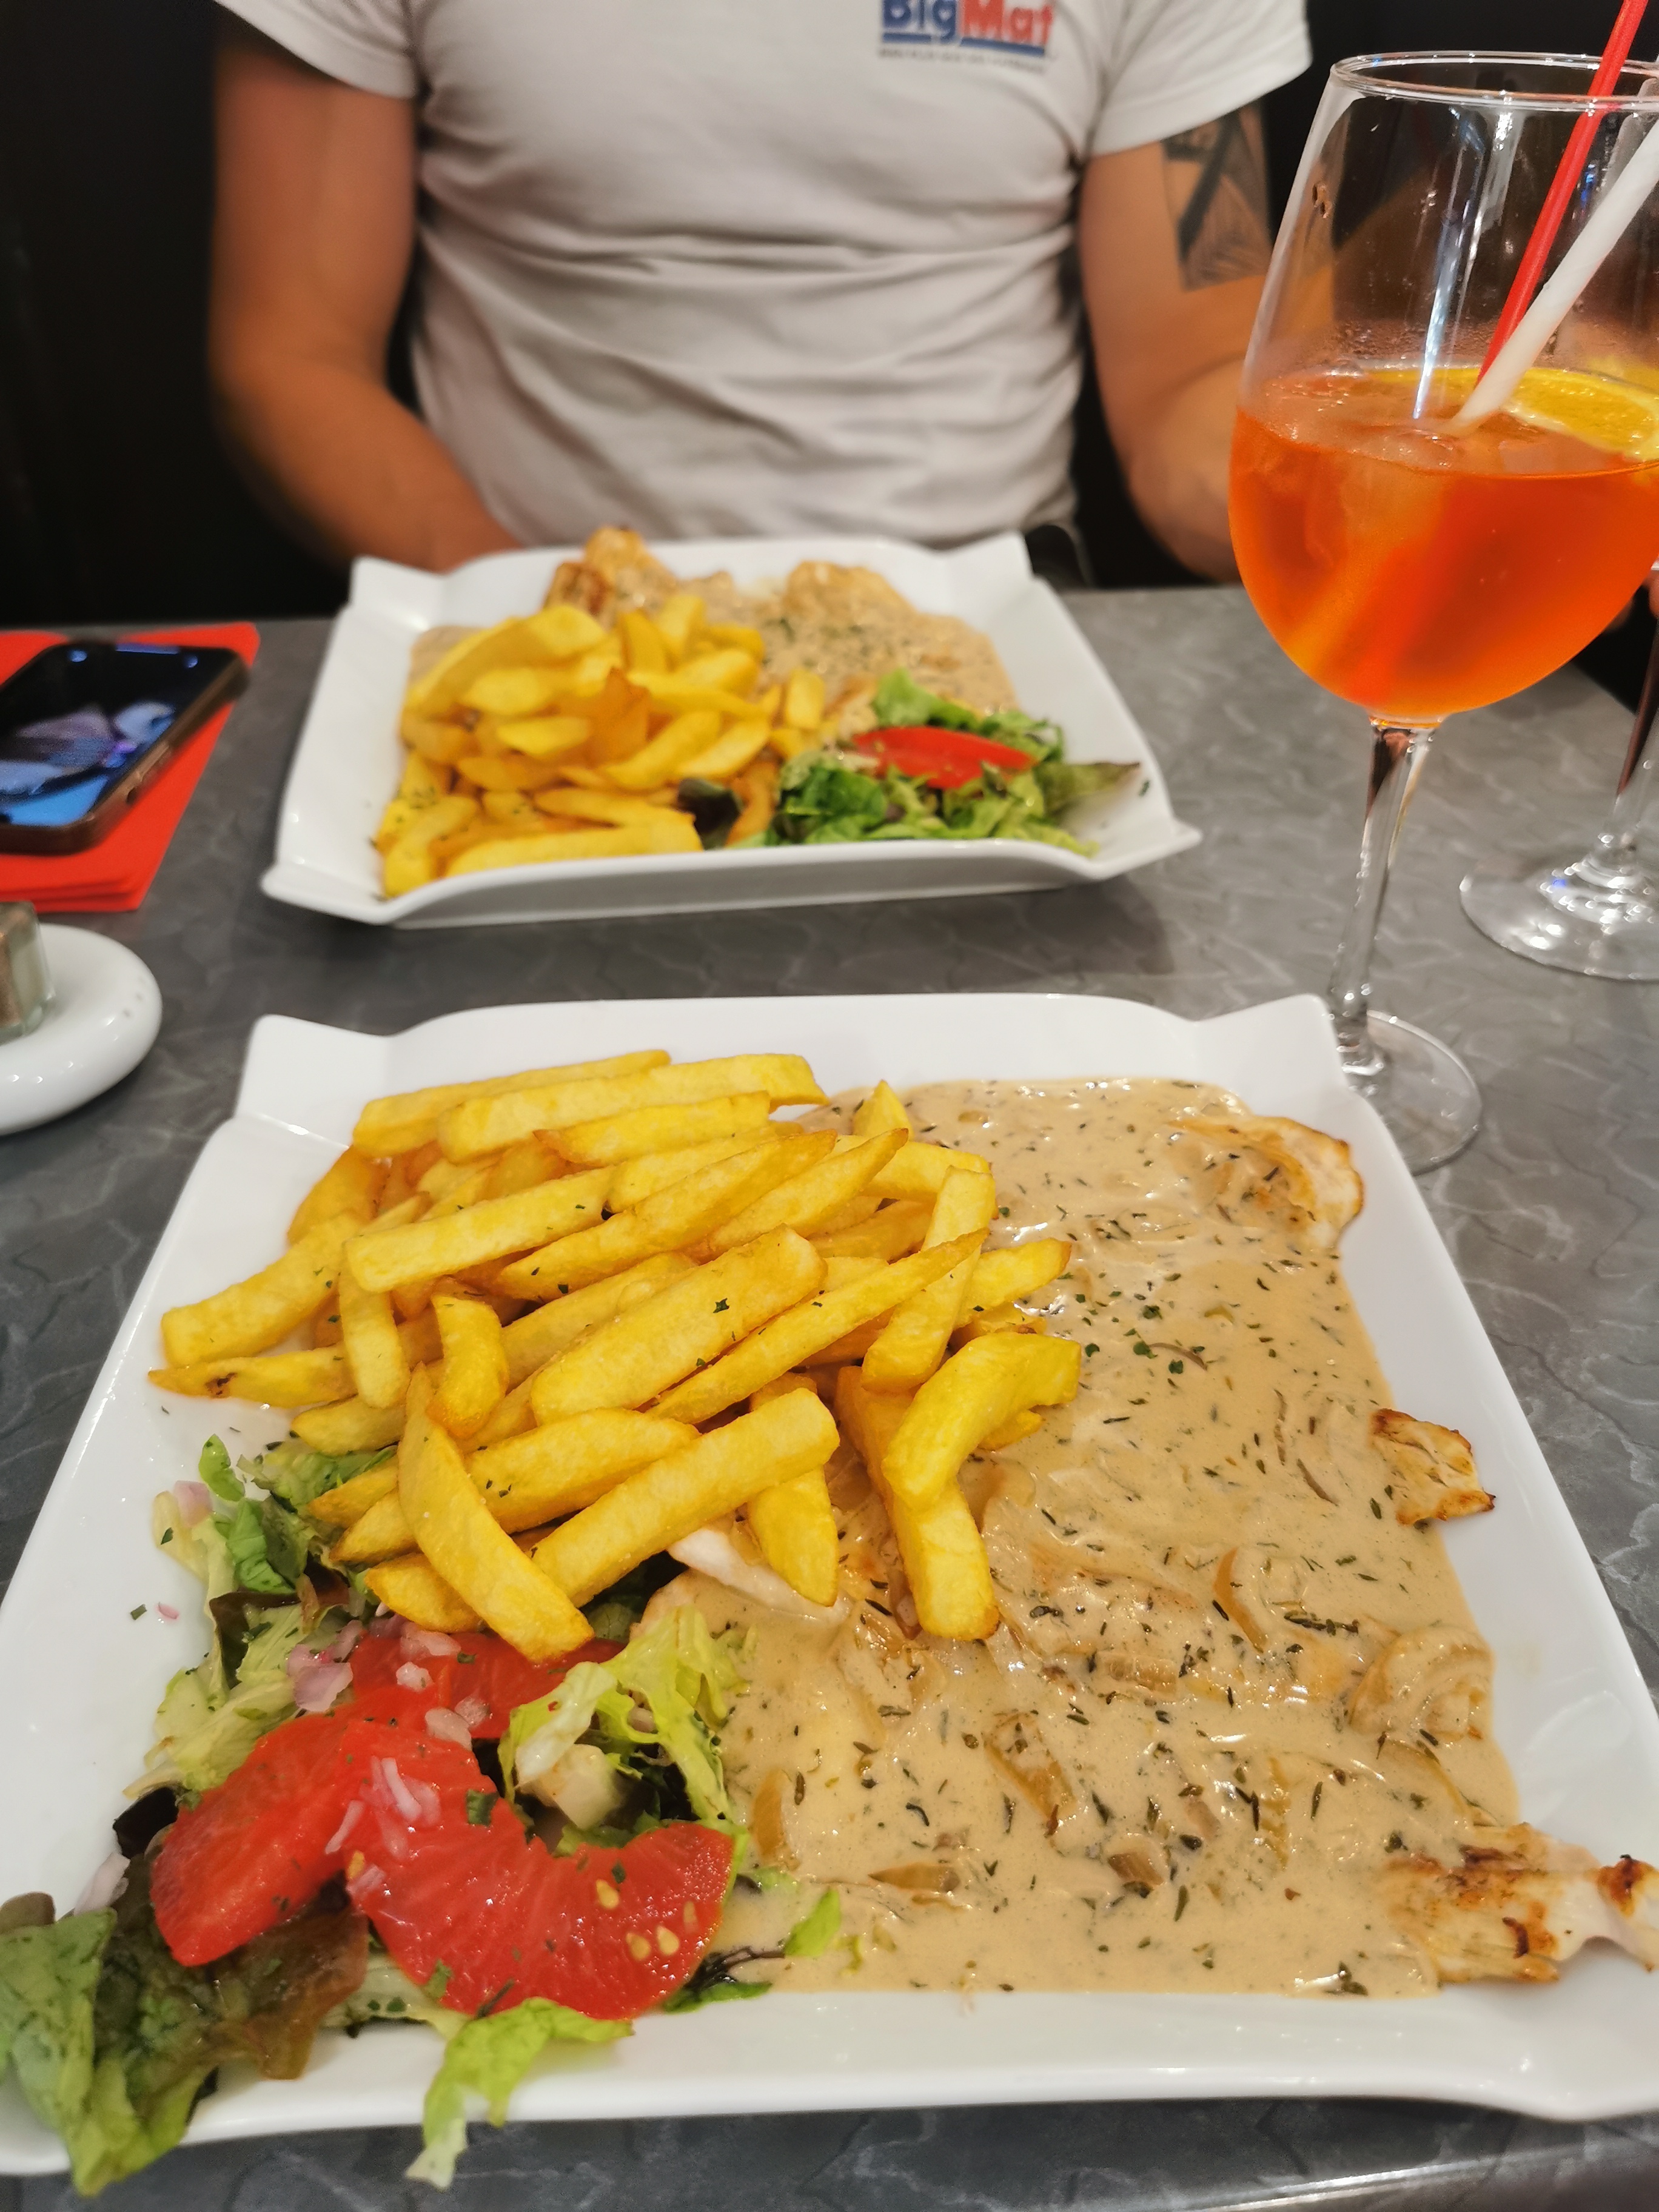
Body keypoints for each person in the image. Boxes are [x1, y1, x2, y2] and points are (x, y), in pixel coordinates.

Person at [207, 0, 1309, 581]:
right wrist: (520, 611)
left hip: (988, 617)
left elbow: (1194, 369)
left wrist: (1337, 512)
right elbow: (292, 356)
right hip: (534, 608)